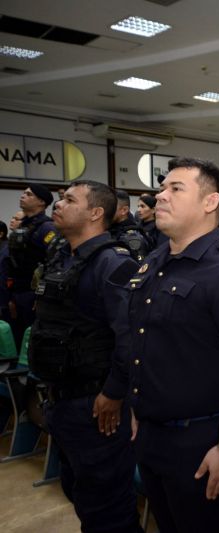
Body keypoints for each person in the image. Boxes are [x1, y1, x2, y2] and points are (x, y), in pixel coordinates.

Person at [128, 157, 219, 533]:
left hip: (199, 442)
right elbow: (145, 341)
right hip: (151, 433)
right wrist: (139, 407)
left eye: (176, 189)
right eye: (161, 189)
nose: (161, 197)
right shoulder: (156, 261)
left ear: (210, 203)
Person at [29, 180, 142, 532]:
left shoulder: (113, 263)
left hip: (97, 405)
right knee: (81, 493)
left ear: (95, 213)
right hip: (63, 399)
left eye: (69, 200)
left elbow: (131, 338)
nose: (58, 205)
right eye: (60, 199)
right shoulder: (64, 255)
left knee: (108, 507)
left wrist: (113, 393)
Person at [5, 184, 57, 348]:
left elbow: (53, 263)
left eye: (29, 194)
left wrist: (42, 295)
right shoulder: (23, 226)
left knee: (33, 340)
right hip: (18, 292)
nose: (23, 196)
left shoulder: (46, 228)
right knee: (19, 337)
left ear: (41, 202)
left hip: (35, 295)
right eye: (23, 193)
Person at [110, 189, 150, 263]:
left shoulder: (132, 238)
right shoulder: (111, 230)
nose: (106, 210)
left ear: (124, 210)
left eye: (111, 207)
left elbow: (139, 269)